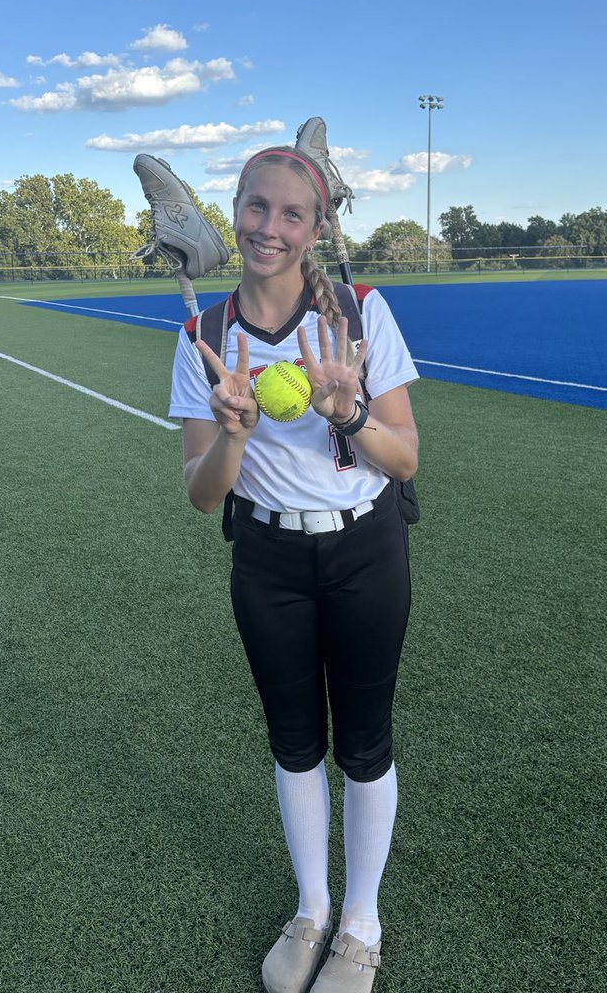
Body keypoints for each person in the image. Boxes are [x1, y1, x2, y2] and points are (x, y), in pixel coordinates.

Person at [169, 137, 419, 993]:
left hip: (365, 548)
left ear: (317, 227)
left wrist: (348, 416)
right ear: (233, 209)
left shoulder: (357, 312)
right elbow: (205, 496)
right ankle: (312, 909)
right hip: (268, 557)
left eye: (291, 213)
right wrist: (234, 437)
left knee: (365, 742)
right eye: (254, 206)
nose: (268, 228)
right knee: (294, 743)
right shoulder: (204, 333)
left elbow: (407, 460)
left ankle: (361, 925)